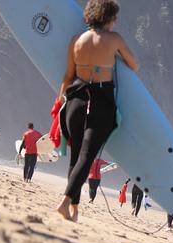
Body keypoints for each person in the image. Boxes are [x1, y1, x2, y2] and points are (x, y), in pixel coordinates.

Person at [55, 0, 139, 221]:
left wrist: (59, 103)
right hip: (100, 103)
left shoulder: (76, 40)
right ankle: (64, 202)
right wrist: (115, 55)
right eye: (114, 17)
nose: (116, 21)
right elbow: (134, 64)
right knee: (86, 156)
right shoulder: (114, 39)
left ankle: (74, 209)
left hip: (75, 100)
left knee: (76, 157)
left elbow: (68, 76)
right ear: (108, 17)